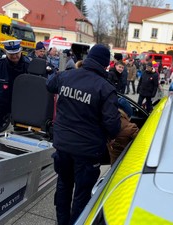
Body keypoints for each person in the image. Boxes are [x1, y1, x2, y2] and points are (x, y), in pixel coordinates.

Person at [46, 44, 121, 225]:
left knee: (63, 187)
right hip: (87, 153)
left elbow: (49, 84)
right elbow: (113, 126)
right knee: (82, 194)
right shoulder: (105, 88)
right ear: (105, 64)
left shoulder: (66, 76)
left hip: (63, 147)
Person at [0, 40, 30, 135]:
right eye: (11, 54)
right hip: (1, 103)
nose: (15, 56)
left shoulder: (29, 66)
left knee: (23, 134)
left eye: (17, 53)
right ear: (6, 52)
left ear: (20, 51)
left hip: (21, 105)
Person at [108, 97, 139, 165]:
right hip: (126, 164)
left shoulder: (108, 123)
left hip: (114, 163)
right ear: (127, 114)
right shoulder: (131, 128)